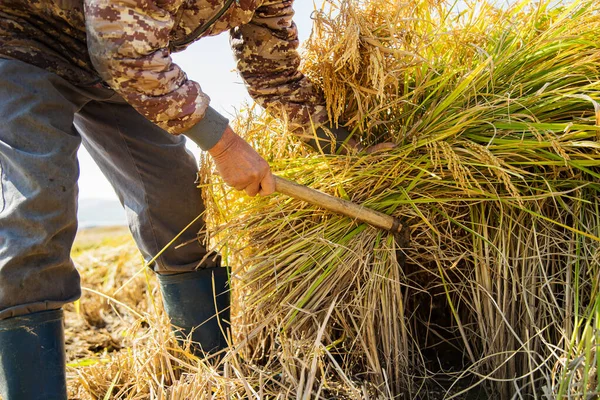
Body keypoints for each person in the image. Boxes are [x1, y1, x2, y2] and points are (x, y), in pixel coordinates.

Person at [0, 0, 364, 398]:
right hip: (25, 41)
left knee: (177, 200)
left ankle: (211, 376)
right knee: (39, 205)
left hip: (117, 68)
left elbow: (274, 74)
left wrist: (353, 153)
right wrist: (224, 146)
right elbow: (123, 52)